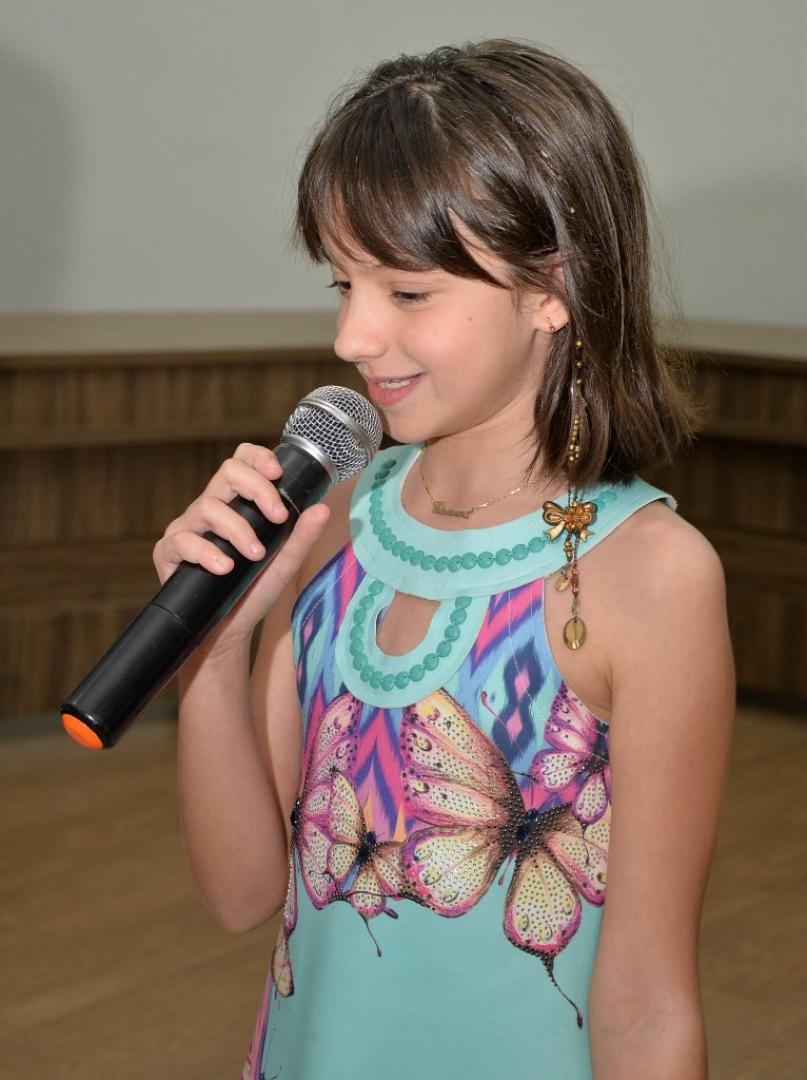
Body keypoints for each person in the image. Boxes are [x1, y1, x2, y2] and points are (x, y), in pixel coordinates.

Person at [153, 39, 735, 1080]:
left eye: (407, 293)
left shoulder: (649, 577)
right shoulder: (333, 520)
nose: (352, 335)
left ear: (552, 286)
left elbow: (649, 1008)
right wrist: (214, 649)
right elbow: (243, 895)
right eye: (343, 283)